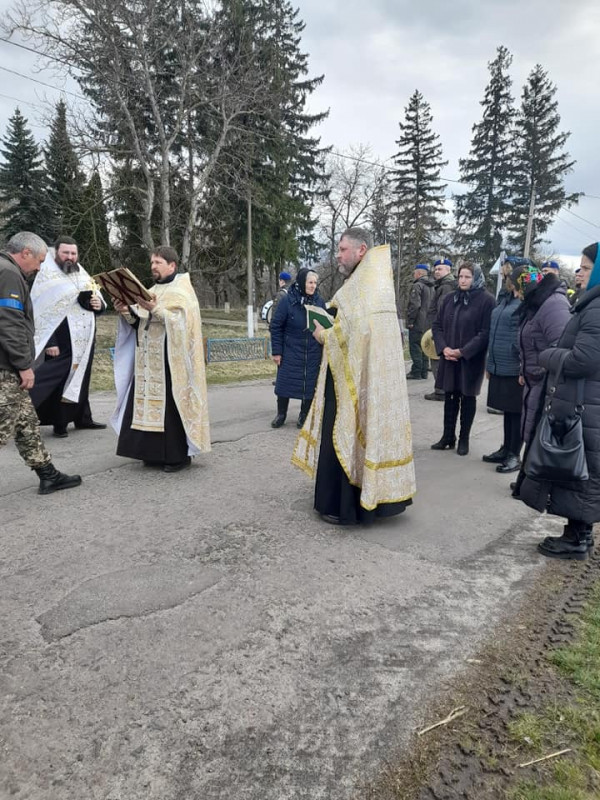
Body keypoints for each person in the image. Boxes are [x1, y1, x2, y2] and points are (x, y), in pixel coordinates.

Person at [292, 228, 416, 525]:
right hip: (367, 374)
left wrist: (323, 335)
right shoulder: (376, 282)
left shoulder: (361, 287)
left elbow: (348, 334)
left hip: (351, 377)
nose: (338, 254)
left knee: (343, 428)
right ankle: (376, 498)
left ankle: (342, 504)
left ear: (361, 250)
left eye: (343, 249)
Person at [519, 242, 600, 560]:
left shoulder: (596, 306)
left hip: (588, 404)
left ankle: (577, 538)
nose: (579, 273)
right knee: (584, 470)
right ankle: (579, 534)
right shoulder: (589, 302)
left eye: (585, 267)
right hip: (589, 402)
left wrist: (548, 355)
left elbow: (584, 359)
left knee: (583, 471)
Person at [112, 246, 211, 472]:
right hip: (148, 361)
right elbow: (140, 324)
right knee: (146, 404)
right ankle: (150, 453)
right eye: (152, 262)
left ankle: (177, 457)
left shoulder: (183, 291)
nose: (153, 266)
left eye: (157, 262)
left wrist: (155, 308)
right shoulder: (150, 289)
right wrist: (126, 311)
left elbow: (182, 326)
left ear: (172, 265)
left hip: (170, 362)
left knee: (170, 409)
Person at [0, 232, 82, 494]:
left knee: (26, 422)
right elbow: (9, 324)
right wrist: (24, 365)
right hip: (5, 368)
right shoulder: (9, 274)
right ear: (25, 253)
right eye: (39, 261)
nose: (39, 267)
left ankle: (48, 475)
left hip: (9, 365)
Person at [30, 236, 107, 437]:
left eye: (73, 253)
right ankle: (58, 422)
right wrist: (50, 342)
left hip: (86, 336)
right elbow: (40, 311)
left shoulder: (81, 272)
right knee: (59, 378)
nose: (70, 257)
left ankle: (83, 418)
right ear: (56, 253)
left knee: (83, 376)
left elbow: (96, 296)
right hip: (63, 339)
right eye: (66, 253)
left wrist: (99, 305)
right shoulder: (46, 276)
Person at [510, 264, 571, 498]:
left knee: (538, 433)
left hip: (547, 382)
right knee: (531, 431)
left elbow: (561, 346)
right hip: (534, 379)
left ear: (527, 284)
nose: (516, 295)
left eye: (517, 289)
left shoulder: (553, 305)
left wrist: (539, 369)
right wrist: (524, 368)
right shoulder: (537, 304)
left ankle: (532, 487)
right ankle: (525, 483)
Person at [431, 263, 495, 456]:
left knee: (467, 397)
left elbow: (485, 333)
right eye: (460, 277)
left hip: (470, 360)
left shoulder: (486, 301)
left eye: (467, 277)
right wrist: (444, 348)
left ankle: (464, 438)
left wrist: (463, 351)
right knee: (450, 396)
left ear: (475, 278)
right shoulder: (451, 298)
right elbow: (437, 326)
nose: (463, 280)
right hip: (449, 358)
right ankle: (448, 436)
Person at [270, 268, 326, 429]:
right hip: (290, 350)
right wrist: (276, 351)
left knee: (309, 386)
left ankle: (304, 415)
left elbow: (325, 325)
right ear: (302, 282)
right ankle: (281, 414)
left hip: (312, 351)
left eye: (315, 283)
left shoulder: (319, 302)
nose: (313, 286)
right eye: (310, 282)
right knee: (284, 384)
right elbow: (276, 326)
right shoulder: (288, 301)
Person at [482, 272, 523, 473]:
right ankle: (506, 448)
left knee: (517, 413)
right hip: (500, 364)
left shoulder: (523, 303)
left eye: (509, 273)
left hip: (515, 367)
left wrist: (523, 367)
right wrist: (490, 363)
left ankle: (515, 454)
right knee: (507, 411)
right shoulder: (505, 300)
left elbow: (523, 339)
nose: (506, 277)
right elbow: (494, 333)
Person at [424, 258, 456, 401]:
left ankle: (441, 391)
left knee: (437, 359)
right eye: (436, 269)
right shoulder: (443, 285)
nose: (437, 271)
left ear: (448, 270)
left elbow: (442, 311)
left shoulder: (446, 286)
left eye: (440, 269)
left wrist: (435, 331)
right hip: (444, 329)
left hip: (440, 330)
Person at [406, 263, 434, 380]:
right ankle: (424, 371)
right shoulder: (432, 287)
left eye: (414, 272)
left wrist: (410, 320)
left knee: (415, 345)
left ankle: (416, 371)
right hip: (428, 322)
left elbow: (415, 305)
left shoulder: (417, 286)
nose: (413, 275)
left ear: (419, 273)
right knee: (424, 346)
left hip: (418, 321)